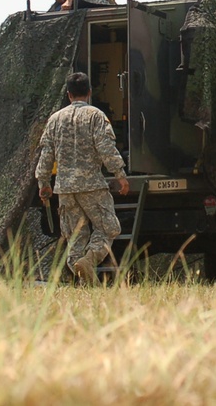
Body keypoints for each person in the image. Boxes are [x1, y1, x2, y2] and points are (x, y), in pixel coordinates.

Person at [35, 71, 130, 283]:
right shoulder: (96, 116)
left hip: (65, 189)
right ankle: (90, 259)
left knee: (75, 237)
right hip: (92, 186)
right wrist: (120, 174)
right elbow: (106, 148)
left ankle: (84, 280)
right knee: (108, 228)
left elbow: (46, 154)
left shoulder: (54, 120)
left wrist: (43, 184)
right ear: (89, 92)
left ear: (68, 94)